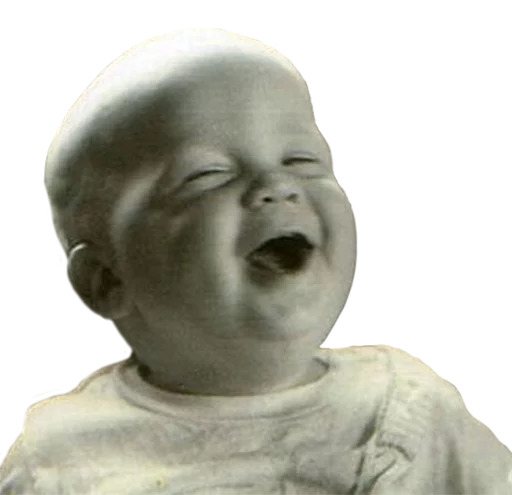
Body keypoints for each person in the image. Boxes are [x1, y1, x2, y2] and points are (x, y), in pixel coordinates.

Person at [1, 28, 511, 494]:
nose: (277, 185)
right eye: (208, 173)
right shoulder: (62, 461)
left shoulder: (410, 411)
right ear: (107, 278)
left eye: (301, 160)